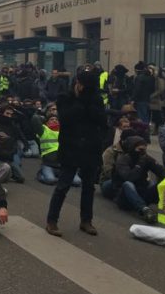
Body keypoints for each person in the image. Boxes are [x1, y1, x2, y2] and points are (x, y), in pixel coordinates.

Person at [46, 68, 106, 237]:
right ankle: (52, 221)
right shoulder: (65, 97)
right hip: (71, 146)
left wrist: (90, 103)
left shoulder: (96, 99)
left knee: (88, 187)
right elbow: (65, 118)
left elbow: (102, 121)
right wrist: (81, 102)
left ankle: (86, 220)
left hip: (90, 147)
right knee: (63, 185)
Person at [111, 136, 165, 223]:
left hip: (142, 191)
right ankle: (144, 210)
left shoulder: (146, 158)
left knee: (160, 183)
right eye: (140, 150)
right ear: (133, 148)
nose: (142, 152)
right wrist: (139, 165)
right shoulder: (123, 160)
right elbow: (129, 177)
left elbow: (161, 171)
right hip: (124, 196)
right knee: (128, 184)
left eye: (144, 150)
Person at [37, 115, 81, 187]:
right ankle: (41, 173)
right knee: (50, 180)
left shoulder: (65, 131)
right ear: (47, 123)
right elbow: (35, 119)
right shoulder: (44, 130)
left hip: (64, 166)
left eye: (56, 119)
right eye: (51, 119)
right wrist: (41, 115)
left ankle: (59, 177)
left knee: (77, 182)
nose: (54, 120)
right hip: (49, 165)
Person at [132, 61, 156, 125]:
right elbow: (153, 88)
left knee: (141, 115)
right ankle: (147, 129)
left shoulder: (139, 77)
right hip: (149, 99)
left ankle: (143, 129)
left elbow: (137, 89)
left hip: (140, 99)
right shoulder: (151, 77)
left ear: (137, 70)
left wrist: (133, 99)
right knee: (147, 115)